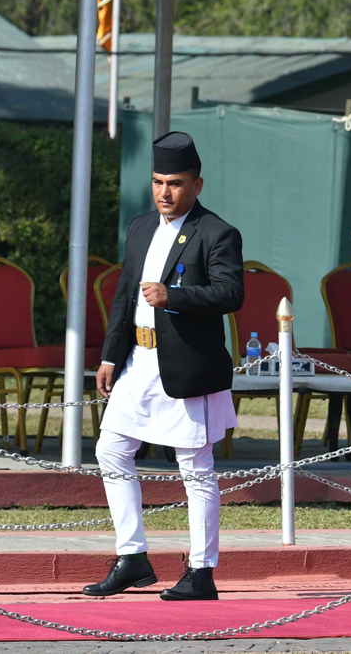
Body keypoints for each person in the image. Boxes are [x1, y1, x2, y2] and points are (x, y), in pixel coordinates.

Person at [82, 132, 244, 601]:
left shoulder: (217, 232)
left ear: (196, 184)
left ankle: (201, 572)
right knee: (111, 450)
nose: (163, 193)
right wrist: (111, 354)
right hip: (138, 361)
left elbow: (231, 293)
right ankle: (132, 557)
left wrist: (176, 296)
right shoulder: (138, 227)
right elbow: (123, 295)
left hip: (188, 368)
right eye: (156, 182)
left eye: (174, 183)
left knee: (196, 467)